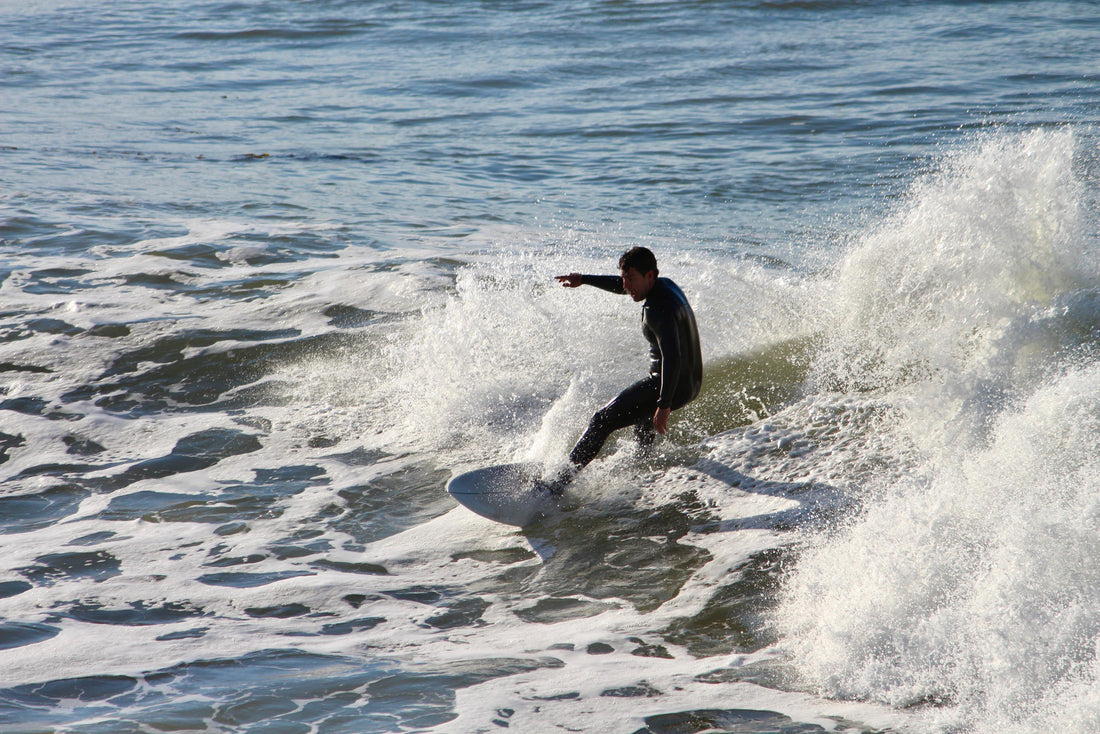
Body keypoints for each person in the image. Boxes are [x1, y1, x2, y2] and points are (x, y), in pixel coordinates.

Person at [545, 247, 702, 493]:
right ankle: (644, 472)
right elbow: (624, 286)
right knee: (642, 417)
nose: (626, 285)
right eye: (624, 277)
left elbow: (672, 357)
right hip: (690, 382)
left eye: (631, 278)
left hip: (669, 384)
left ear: (649, 275)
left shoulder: (656, 309)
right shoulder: (665, 286)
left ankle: (555, 486)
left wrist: (664, 404)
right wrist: (584, 279)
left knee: (601, 421)